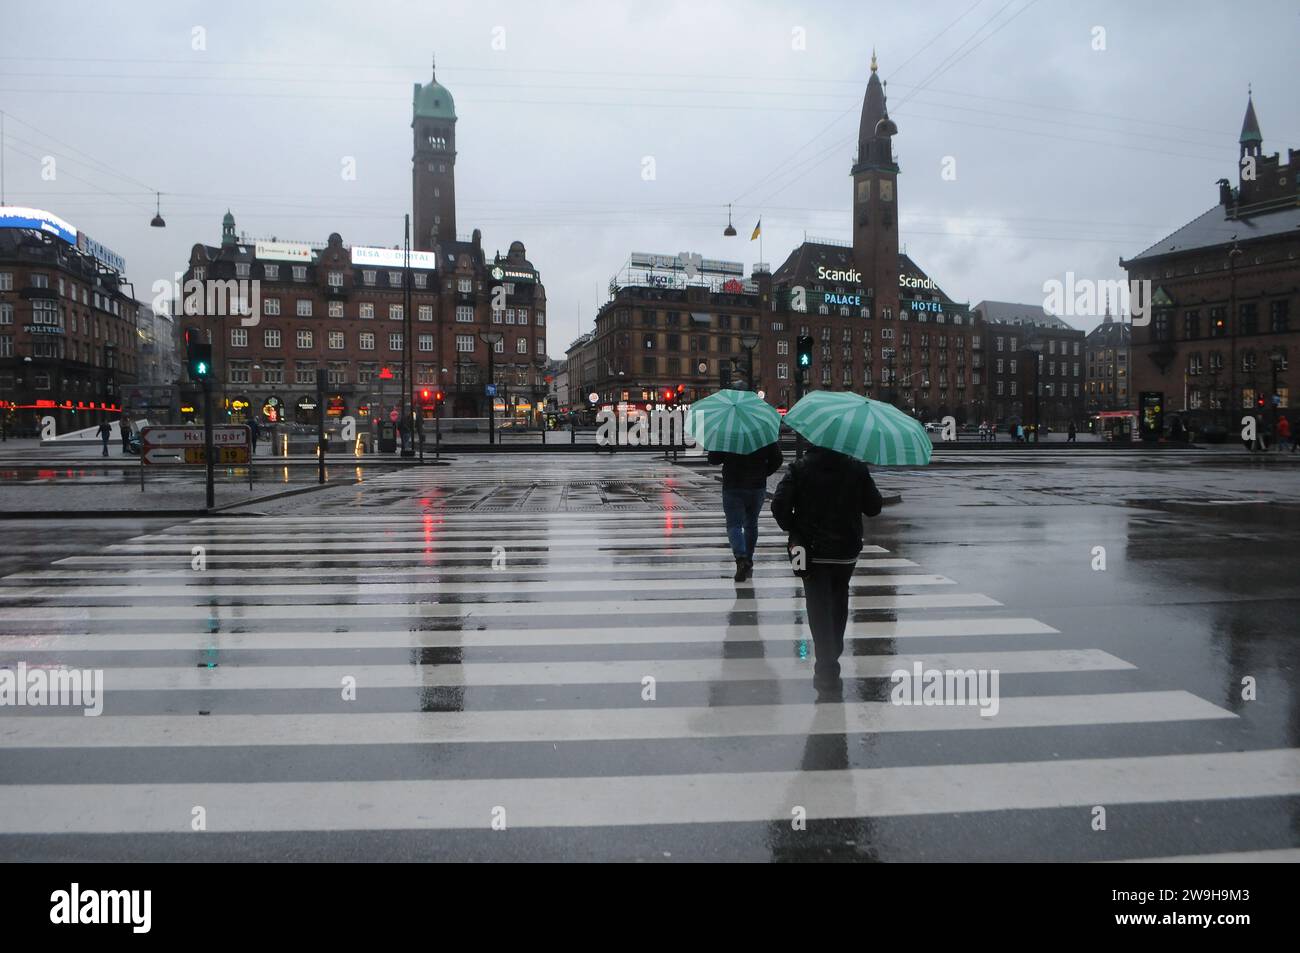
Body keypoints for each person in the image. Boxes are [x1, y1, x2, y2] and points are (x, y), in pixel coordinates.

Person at [772, 446, 883, 693]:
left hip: (811, 550)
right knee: (839, 596)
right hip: (846, 549)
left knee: (817, 604)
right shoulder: (855, 467)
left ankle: (826, 663)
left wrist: (794, 527)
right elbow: (874, 507)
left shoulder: (799, 468)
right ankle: (833, 650)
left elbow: (779, 505)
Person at [709, 441, 783, 582]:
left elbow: (714, 459)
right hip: (757, 486)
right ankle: (748, 558)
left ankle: (741, 558)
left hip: (733, 485)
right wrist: (763, 472)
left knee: (734, 525)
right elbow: (778, 459)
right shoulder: (762, 432)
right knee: (751, 523)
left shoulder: (728, 433)